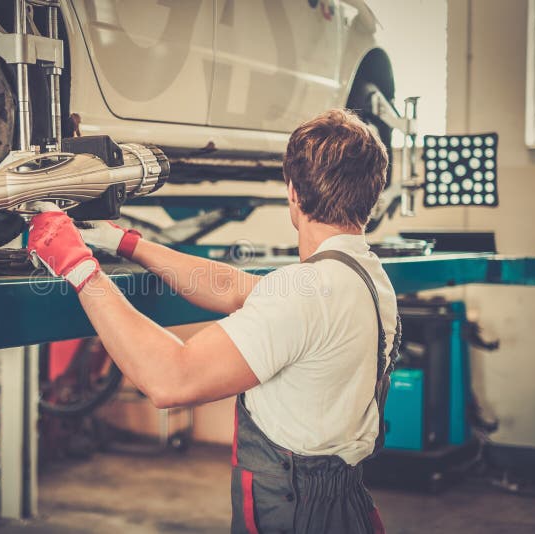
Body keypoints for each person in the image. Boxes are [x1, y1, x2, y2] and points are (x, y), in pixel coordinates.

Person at [27, 109, 400, 534]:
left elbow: (171, 379)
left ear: (293, 193)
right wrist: (127, 243)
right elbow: (236, 289)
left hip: (295, 512)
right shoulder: (363, 275)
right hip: (345, 505)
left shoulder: (306, 291)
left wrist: (80, 268)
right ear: (371, 193)